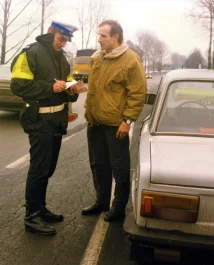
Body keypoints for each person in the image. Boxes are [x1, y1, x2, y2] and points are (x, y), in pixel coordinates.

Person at [10, 21, 86, 235]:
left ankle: (40, 208)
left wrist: (72, 90)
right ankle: (31, 216)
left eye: (66, 40)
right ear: (50, 32)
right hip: (40, 121)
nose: (63, 44)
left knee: (48, 168)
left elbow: (68, 83)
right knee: (39, 169)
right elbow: (18, 85)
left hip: (56, 121)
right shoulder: (31, 54)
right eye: (61, 39)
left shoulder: (61, 58)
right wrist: (49, 87)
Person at [81, 20, 146, 222]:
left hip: (116, 124)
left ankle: (118, 207)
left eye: (103, 36)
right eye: (99, 36)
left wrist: (127, 120)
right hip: (95, 123)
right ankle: (101, 201)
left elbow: (138, 93)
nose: (99, 40)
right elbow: (95, 89)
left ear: (115, 37)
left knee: (119, 167)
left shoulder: (130, 60)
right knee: (98, 165)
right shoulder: (97, 58)